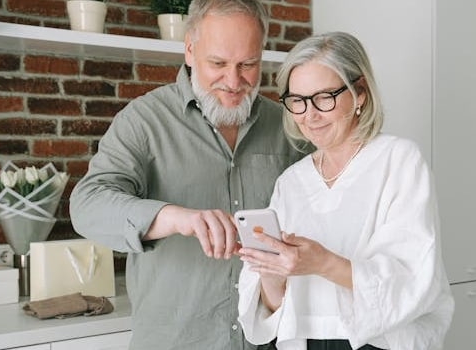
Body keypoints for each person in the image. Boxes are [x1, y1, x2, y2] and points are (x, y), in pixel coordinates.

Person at [68, 0, 306, 348]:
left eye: (248, 64)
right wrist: (174, 217)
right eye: (218, 63)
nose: (234, 81)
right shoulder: (144, 121)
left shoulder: (287, 126)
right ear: (190, 50)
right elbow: (87, 205)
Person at [236, 31, 455, 350]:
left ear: (360, 92)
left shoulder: (399, 161)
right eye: (297, 101)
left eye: (324, 97)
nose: (309, 116)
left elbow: (413, 279)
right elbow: (270, 310)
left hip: (378, 343)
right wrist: (271, 272)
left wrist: (322, 262)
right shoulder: (291, 181)